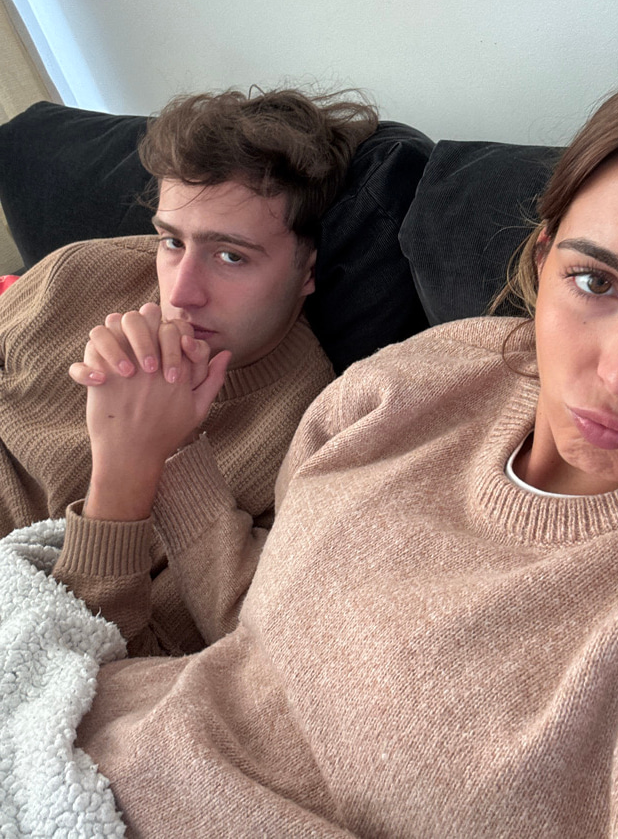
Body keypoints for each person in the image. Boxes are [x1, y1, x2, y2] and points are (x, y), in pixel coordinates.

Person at [70, 57, 618, 836]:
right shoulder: (420, 377)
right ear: (544, 261)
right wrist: (157, 456)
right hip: (75, 739)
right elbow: (261, 633)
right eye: (597, 281)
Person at [0, 86, 378, 654]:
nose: (180, 293)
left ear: (307, 271)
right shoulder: (76, 273)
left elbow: (117, 659)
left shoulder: (309, 439)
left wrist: (132, 459)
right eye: (172, 242)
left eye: (230, 256)